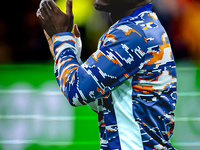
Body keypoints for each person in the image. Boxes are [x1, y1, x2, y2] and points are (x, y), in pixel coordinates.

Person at [37, 0, 177, 149]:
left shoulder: (131, 34)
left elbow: (75, 91)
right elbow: (103, 101)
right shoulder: (142, 25)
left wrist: (63, 41)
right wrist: (68, 54)